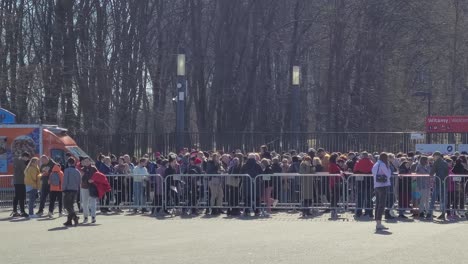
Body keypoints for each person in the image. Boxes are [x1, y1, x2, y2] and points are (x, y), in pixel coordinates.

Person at [372, 153, 392, 230]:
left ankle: (377, 222)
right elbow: (388, 175)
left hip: (376, 185)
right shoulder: (383, 164)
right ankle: (379, 222)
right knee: (381, 205)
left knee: (378, 204)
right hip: (382, 185)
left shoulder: (376, 164)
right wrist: (389, 167)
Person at [353, 152, 374, 218]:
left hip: (360, 181)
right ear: (367, 156)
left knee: (359, 197)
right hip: (369, 181)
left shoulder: (358, 162)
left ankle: (358, 212)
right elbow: (372, 171)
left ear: (362, 156)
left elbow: (355, 170)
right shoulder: (371, 162)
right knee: (369, 197)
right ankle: (369, 212)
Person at [428, 151, 449, 220]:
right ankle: (443, 213)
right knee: (443, 199)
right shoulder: (445, 162)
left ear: (437, 156)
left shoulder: (436, 162)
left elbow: (432, 172)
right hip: (445, 182)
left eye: (434, 156)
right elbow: (447, 173)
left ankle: (429, 213)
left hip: (438, 182)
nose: (433, 158)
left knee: (433, 198)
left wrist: (431, 175)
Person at [62, 158, 81, 226]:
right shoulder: (77, 171)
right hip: (75, 190)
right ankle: (69, 221)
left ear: (68, 163)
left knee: (67, 205)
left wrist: (63, 189)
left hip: (68, 189)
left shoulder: (67, 170)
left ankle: (75, 217)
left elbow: (65, 181)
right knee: (71, 205)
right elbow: (79, 182)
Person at [12, 152, 30, 217]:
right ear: (24, 156)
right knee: (22, 197)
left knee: (17, 196)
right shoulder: (21, 162)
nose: (27, 159)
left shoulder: (16, 160)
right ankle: (22, 211)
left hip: (16, 181)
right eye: (27, 158)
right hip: (21, 181)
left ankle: (15, 211)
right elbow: (25, 170)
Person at [80, 157, 98, 223]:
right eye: (85, 161)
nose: (86, 162)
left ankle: (93, 217)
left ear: (90, 161)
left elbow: (98, 176)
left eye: (88, 161)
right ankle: (85, 217)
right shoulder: (82, 169)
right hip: (84, 187)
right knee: (85, 203)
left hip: (92, 187)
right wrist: (82, 177)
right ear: (83, 162)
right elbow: (81, 179)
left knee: (93, 202)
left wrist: (93, 180)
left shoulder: (94, 168)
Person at [328, 153, 342, 219]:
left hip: (335, 182)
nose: (338, 158)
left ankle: (334, 211)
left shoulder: (334, 164)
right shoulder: (332, 165)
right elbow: (333, 173)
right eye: (337, 157)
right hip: (334, 183)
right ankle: (333, 211)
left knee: (335, 197)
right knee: (335, 197)